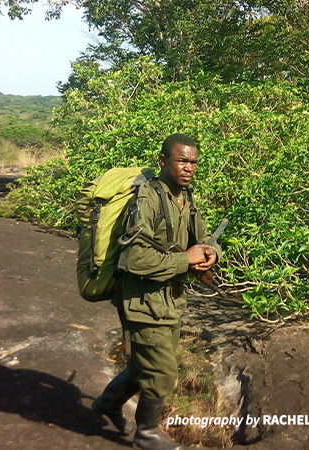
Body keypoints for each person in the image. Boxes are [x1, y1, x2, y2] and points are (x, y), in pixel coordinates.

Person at [92, 134, 221, 450]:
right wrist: (184, 260)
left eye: (193, 162)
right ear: (163, 161)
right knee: (162, 372)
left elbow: (203, 239)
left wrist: (211, 255)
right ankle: (146, 434)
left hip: (170, 300)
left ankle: (107, 404)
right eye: (182, 161)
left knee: (142, 367)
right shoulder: (147, 198)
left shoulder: (185, 197)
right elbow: (134, 257)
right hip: (141, 301)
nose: (189, 167)